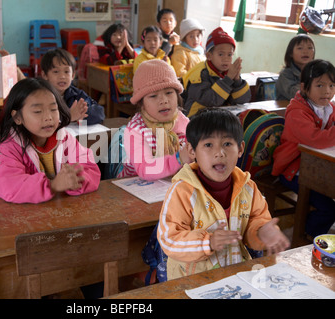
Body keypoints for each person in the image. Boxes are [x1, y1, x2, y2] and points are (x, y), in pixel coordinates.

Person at [157, 108, 290, 280]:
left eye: (227, 144)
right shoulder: (182, 191)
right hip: (192, 281)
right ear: (191, 151)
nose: (219, 153)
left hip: (235, 275)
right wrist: (207, 242)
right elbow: (170, 238)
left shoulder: (248, 188)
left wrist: (261, 232)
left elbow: (256, 220)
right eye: (208, 145)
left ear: (240, 148)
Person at [0, 78, 101, 204]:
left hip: (63, 212)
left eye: (53, 109)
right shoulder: (7, 150)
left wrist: (74, 180)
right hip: (27, 218)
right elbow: (9, 186)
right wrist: (53, 185)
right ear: (17, 117)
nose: (48, 117)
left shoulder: (65, 139)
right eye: (38, 111)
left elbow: (90, 169)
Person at [272, 59, 335, 238]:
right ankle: (305, 236)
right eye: (320, 85)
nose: (327, 91)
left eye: (332, 85)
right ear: (304, 87)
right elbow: (315, 139)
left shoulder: (328, 107)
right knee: (328, 209)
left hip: (317, 166)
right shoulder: (298, 112)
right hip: (292, 170)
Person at [119, 59, 191, 180]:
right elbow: (145, 169)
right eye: (153, 96)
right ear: (141, 103)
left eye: (169, 92)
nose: (164, 100)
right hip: (136, 189)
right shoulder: (135, 130)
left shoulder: (182, 120)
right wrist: (179, 158)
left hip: (172, 185)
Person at [182, 27, 250, 116]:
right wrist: (228, 79)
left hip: (219, 116)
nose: (226, 59)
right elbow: (211, 101)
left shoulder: (228, 71)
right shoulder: (199, 74)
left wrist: (237, 80)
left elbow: (243, 100)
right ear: (209, 56)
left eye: (229, 55)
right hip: (197, 119)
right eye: (221, 54)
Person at [40, 48, 105, 124]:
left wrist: (80, 116)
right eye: (56, 71)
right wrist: (69, 116)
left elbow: (99, 113)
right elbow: (40, 120)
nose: (62, 76)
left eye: (66, 71)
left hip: (73, 134)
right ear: (44, 75)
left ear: (73, 75)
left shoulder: (76, 94)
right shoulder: (39, 96)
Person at [276, 34, 315, 101]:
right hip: (288, 109)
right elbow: (296, 95)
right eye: (300, 48)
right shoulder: (285, 74)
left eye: (310, 48)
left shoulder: (316, 72)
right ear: (291, 53)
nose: (305, 51)